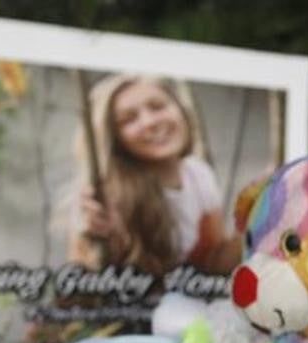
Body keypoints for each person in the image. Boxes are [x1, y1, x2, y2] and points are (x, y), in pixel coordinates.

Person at [67, 74, 242, 276]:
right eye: (128, 119)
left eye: (158, 107)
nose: (149, 122)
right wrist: (87, 237)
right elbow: (80, 283)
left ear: (181, 111)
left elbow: (213, 262)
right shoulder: (105, 196)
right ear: (115, 139)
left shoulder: (198, 174)